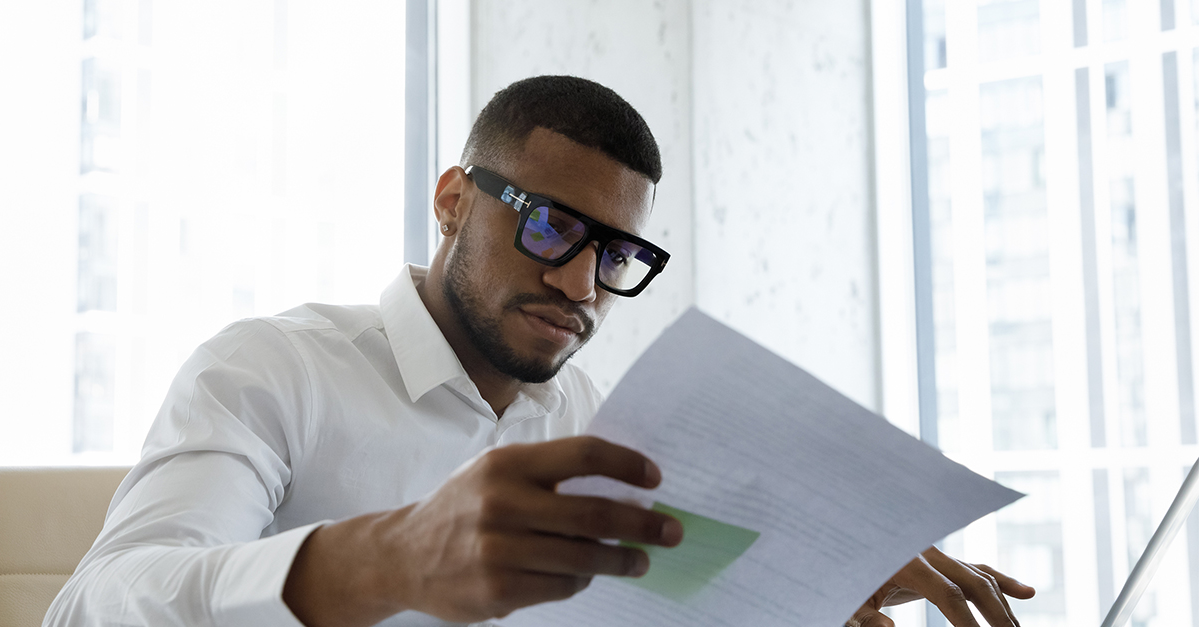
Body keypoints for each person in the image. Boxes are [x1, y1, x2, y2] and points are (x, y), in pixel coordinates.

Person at [45, 76, 1034, 627]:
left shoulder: (597, 422)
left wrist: (807, 588)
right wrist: (384, 559)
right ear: (452, 203)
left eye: (617, 255)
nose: (580, 287)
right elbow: (93, 610)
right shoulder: (270, 372)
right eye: (551, 230)